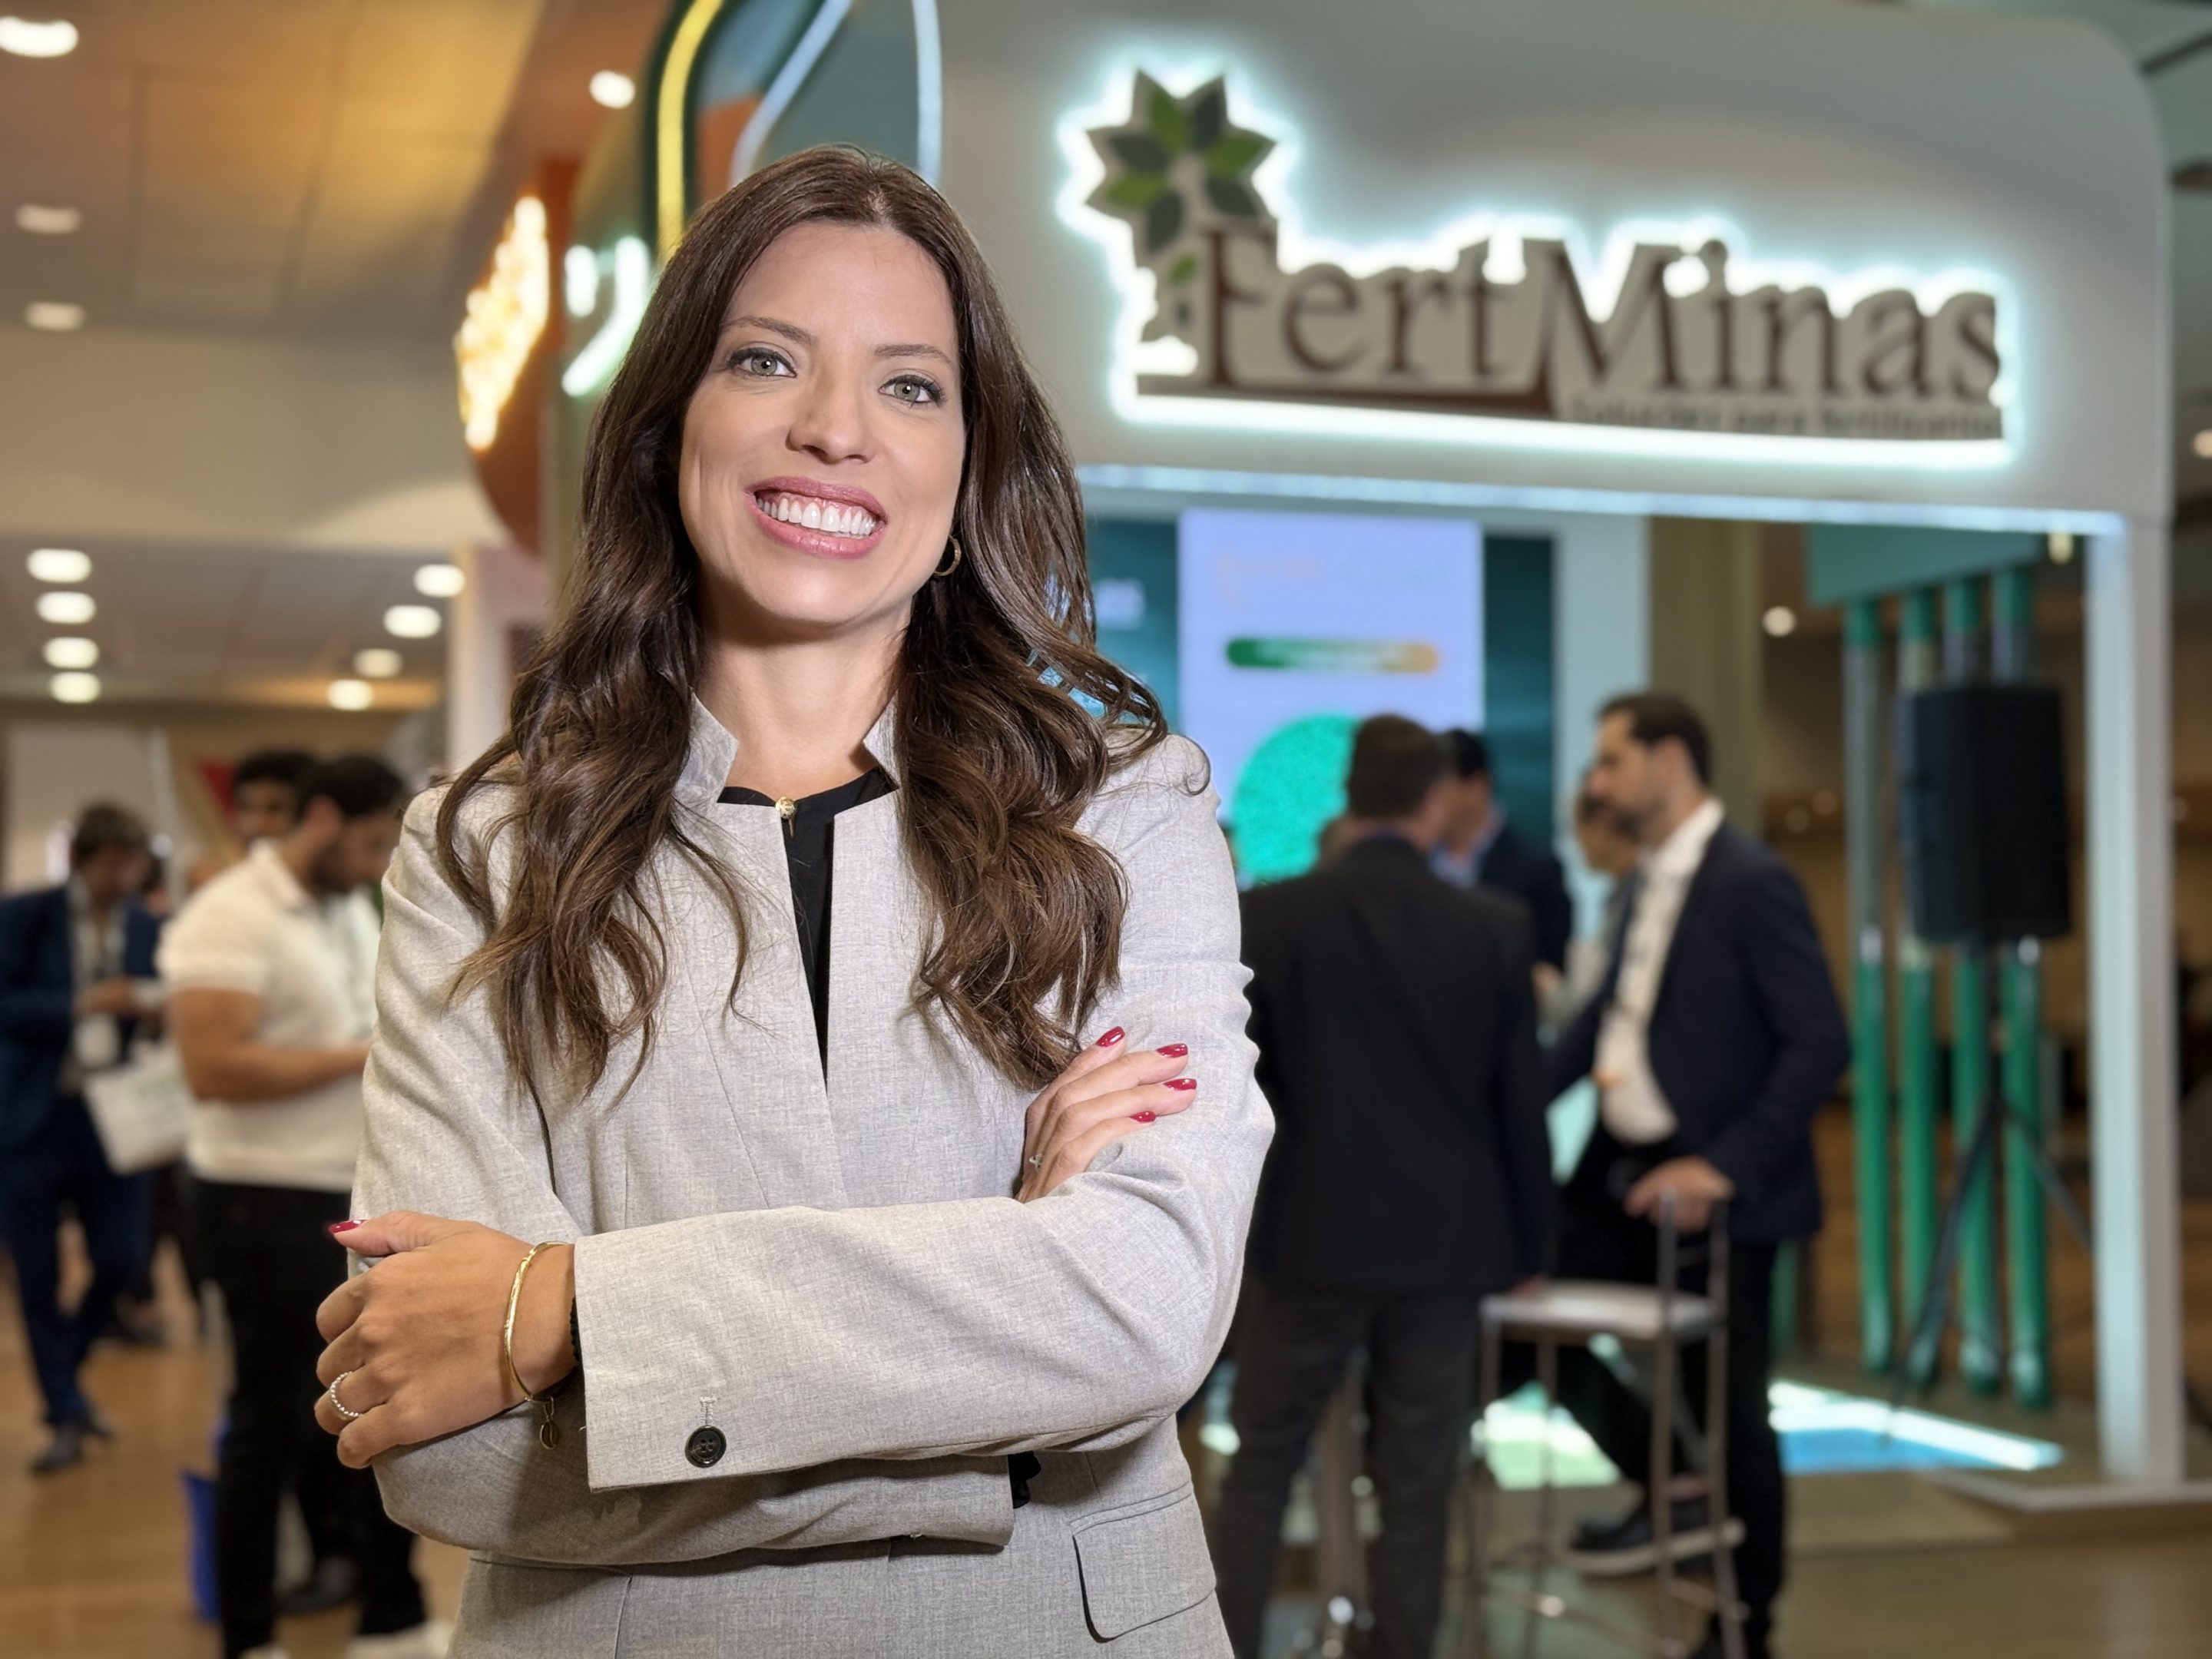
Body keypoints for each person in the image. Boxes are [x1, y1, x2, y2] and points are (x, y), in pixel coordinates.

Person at [304, 146, 1270, 1657]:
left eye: (911, 385)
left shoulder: (1127, 810)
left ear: (971, 464)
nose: (834, 427)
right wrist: (1003, 1380)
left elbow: (1146, 1303)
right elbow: (452, 1454)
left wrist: (569, 1317)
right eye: (766, 360)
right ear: (669, 426)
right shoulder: (484, 849)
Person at [1211, 716, 1549, 1659]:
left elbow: (1238, 1089)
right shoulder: (1491, 927)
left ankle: (1227, 1645)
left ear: (1349, 794)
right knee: (1417, 1478)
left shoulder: (1274, 916)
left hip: (1306, 1236)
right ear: (1435, 801)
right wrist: (1532, 1245)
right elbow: (1517, 1106)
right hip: (1444, 1246)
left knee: (1262, 1465)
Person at [1539, 694, 1848, 1659]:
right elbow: (1608, 1025)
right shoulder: (1645, 880)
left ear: (1669, 761)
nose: (1598, 784)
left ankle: (1747, 1624)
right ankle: (1668, 1482)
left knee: (1734, 1412)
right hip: (1621, 1177)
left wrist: (1720, 1166)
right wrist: (1496, 1102)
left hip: (1717, 1199)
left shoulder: (1750, 881)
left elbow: (1820, 1042)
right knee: (1523, 1313)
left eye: (1612, 761)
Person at [162, 757, 442, 1659]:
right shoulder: (232, 914)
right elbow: (212, 1067)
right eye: (367, 842)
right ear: (322, 817)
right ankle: (249, 1638)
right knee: (271, 1422)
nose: (373, 862)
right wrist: (363, 1055)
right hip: (259, 1197)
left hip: (340, 1193)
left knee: (363, 1402)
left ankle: (388, 1616)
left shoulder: (342, 906)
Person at [0, 803, 163, 1473]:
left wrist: (150, 1003)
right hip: (34, 1120)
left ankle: (64, 1368)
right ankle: (65, 1409)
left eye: (133, 866)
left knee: (122, 1259)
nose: (123, 878)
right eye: (112, 864)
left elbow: (168, 999)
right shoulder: (27, 916)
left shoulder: (147, 925)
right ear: (82, 861)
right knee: (36, 1274)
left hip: (116, 1118)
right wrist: (78, 1004)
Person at [1435, 728, 1574, 977]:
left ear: (1477, 785)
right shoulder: (1416, 864)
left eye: (1440, 785)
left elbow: (1549, 974)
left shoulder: (1538, 871)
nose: (1429, 797)